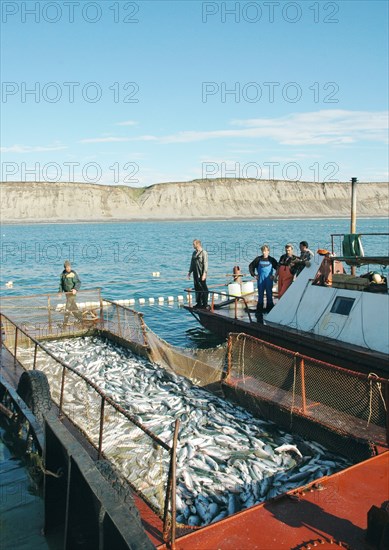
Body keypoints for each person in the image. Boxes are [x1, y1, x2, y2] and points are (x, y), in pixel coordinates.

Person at [249, 245, 278, 312]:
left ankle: (270, 308)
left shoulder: (272, 259)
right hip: (260, 279)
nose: (264, 252)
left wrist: (274, 276)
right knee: (260, 294)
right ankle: (259, 309)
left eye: (266, 251)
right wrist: (254, 275)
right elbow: (251, 266)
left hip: (269, 279)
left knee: (269, 293)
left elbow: (278, 267)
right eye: (263, 251)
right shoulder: (258, 259)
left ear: (268, 251)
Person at [58, 260, 83, 325]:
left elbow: (78, 282)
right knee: (73, 307)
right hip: (67, 294)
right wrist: (60, 291)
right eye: (67, 267)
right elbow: (61, 284)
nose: (68, 268)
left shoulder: (73, 274)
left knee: (68, 307)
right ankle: (80, 319)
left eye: (69, 267)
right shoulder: (63, 274)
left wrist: (75, 289)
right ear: (64, 267)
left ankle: (65, 322)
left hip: (72, 293)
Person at [188, 240, 209, 308]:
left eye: (194, 244)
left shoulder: (204, 253)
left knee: (203, 288)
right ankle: (199, 303)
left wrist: (204, 274)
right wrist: (189, 272)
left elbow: (205, 263)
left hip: (201, 273)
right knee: (197, 288)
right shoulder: (194, 253)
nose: (193, 245)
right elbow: (192, 263)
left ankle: (205, 304)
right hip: (195, 273)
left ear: (198, 244)